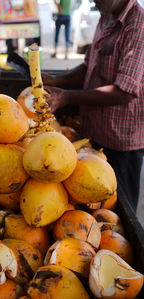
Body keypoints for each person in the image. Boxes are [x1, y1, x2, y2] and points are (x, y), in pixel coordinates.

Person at [42, 0, 144, 213]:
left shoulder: (137, 25)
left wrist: (68, 98)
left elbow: (125, 91)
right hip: (94, 133)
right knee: (89, 205)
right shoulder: (106, 15)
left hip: (120, 142)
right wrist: (56, 81)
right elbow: (89, 67)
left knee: (117, 213)